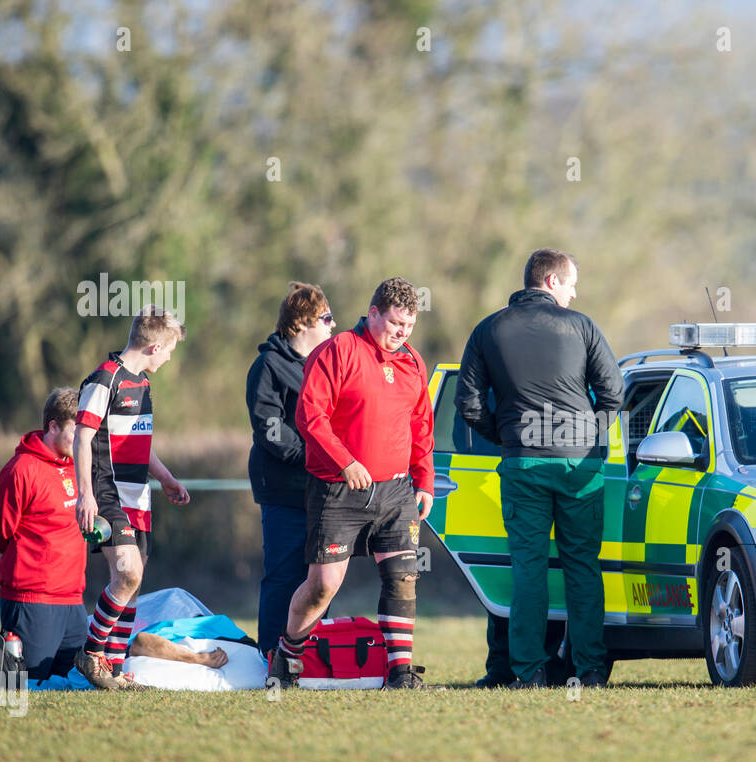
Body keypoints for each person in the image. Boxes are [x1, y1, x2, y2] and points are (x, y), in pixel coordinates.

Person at [455, 248, 624, 688]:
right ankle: (590, 670)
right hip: (578, 466)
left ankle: (527, 672)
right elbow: (613, 395)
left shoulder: (488, 329)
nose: (574, 292)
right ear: (551, 282)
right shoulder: (582, 326)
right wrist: (589, 437)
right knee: (582, 567)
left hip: (523, 461)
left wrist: (508, 436)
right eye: (571, 283)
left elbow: (469, 404)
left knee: (527, 568)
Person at [267, 277, 436, 690]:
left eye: (409, 326)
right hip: (337, 490)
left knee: (403, 576)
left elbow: (421, 427)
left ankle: (399, 674)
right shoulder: (338, 350)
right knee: (323, 586)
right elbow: (311, 418)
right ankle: (287, 657)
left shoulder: (413, 362)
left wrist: (425, 480)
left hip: (397, 492)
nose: (401, 333)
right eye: (395, 323)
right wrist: (346, 463)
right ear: (373, 312)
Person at [73, 305, 190, 690]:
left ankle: (116, 670)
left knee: (132, 589)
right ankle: (91, 654)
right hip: (108, 493)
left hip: (139, 497)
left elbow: (142, 444)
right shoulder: (103, 380)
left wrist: (167, 478)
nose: (172, 356)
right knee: (128, 573)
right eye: (171, 348)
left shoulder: (143, 385)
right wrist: (86, 496)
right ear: (155, 345)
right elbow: (82, 438)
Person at [246, 282, 335, 657]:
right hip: (284, 491)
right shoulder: (268, 365)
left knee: (321, 578)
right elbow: (269, 427)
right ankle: (270, 656)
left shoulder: (326, 364)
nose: (334, 325)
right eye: (326, 318)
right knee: (284, 576)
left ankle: (313, 655)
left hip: (323, 491)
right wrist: (315, 456)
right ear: (301, 323)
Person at [0, 388, 90, 684]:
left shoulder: (78, 467)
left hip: (73, 601)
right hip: (33, 602)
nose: (82, 439)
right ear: (53, 426)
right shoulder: (21, 470)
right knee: (27, 686)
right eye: (75, 431)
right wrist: (32, 560)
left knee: (77, 685)